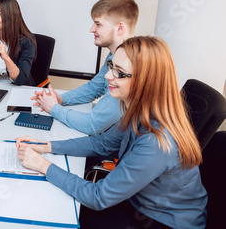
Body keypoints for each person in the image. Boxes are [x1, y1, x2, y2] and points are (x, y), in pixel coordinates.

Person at [15, 36, 207, 229]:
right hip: (138, 202)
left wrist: (43, 166)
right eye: (111, 66)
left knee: (62, 214)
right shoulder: (140, 112)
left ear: (144, 82)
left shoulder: (156, 141)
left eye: (120, 73)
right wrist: (46, 146)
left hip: (160, 221)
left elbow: (98, 197)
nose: (108, 76)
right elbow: (101, 143)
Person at [33, 0, 139, 135]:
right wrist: (61, 99)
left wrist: (54, 108)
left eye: (98, 24)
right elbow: (94, 88)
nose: (92, 29)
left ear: (120, 28)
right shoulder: (115, 56)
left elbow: (92, 124)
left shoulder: (130, 67)